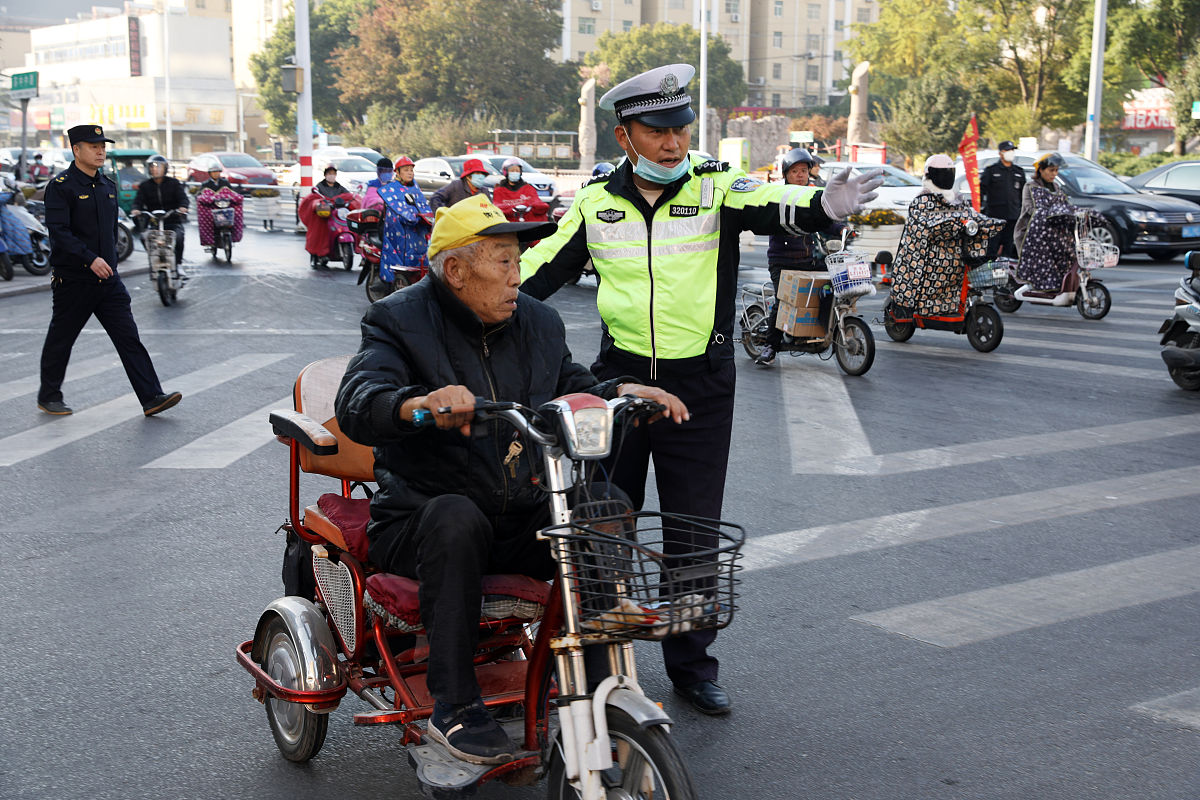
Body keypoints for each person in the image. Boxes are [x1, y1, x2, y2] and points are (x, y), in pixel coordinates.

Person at [519, 64, 882, 716]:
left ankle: (691, 665)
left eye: (680, 129)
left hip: (701, 387)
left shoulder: (714, 186)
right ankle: (598, 658)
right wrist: (469, 296)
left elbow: (772, 201)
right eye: (656, 132)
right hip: (620, 383)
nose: (672, 143)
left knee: (692, 529)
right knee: (603, 520)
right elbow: (537, 271)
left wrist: (823, 206)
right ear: (625, 135)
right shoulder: (596, 202)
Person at [334, 196, 686, 764]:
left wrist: (621, 392)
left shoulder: (538, 322)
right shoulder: (398, 319)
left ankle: (603, 681)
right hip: (422, 521)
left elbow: (571, 384)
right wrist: (416, 404)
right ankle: (455, 706)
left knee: (601, 501)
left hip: (520, 515)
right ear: (456, 270)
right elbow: (358, 400)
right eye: (503, 262)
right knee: (455, 517)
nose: (517, 277)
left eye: (518, 262)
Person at [37, 125, 181, 417]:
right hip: (74, 281)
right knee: (61, 340)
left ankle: (151, 397)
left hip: (108, 281)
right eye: (93, 146)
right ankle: (49, 396)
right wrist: (89, 259)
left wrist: (111, 263)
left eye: (102, 146)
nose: (101, 151)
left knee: (129, 338)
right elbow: (59, 232)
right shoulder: (61, 186)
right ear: (76, 150)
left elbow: (110, 232)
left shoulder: (107, 185)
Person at [755, 147, 848, 367]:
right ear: (786, 174)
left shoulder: (814, 196)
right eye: (795, 171)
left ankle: (817, 328)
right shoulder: (778, 196)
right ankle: (770, 346)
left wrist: (842, 229)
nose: (800, 175)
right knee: (783, 299)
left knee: (832, 284)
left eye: (804, 171)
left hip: (808, 259)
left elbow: (826, 220)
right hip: (782, 261)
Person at [365, 155, 433, 286]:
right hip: (397, 231)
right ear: (397, 172)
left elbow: (423, 206)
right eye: (406, 170)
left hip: (416, 230)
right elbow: (399, 210)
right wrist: (413, 216)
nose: (410, 173)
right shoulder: (390, 189)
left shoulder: (415, 187)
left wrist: (428, 217)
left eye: (411, 170)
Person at [131, 154, 188, 266]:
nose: (155, 169)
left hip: (173, 220)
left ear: (165, 168)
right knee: (144, 237)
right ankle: (154, 258)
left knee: (179, 238)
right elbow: (138, 201)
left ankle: (178, 264)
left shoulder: (174, 183)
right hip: (154, 222)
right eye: (152, 167)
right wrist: (136, 209)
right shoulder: (145, 186)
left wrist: (183, 207)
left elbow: (183, 198)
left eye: (158, 166)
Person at [980, 140, 1026, 258]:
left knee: (1008, 249)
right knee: (991, 250)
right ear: (1001, 153)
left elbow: (1024, 195)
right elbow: (981, 191)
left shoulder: (1018, 172)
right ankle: (990, 269)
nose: (1011, 152)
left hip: (1013, 217)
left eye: (1012, 150)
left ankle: (1005, 269)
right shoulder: (991, 171)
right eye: (1008, 150)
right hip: (995, 217)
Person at [1014, 151, 1064, 255]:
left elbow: (1062, 206)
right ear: (1041, 170)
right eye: (1051, 170)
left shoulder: (1056, 187)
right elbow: (1030, 209)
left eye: (1056, 170)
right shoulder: (1030, 186)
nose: (1054, 174)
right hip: (1028, 235)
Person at [490, 157, 548, 222]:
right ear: (506, 172)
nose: (515, 173)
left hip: (528, 223)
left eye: (517, 171)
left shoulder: (528, 188)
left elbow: (537, 202)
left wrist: (534, 206)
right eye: (512, 171)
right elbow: (497, 207)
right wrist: (512, 209)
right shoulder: (499, 190)